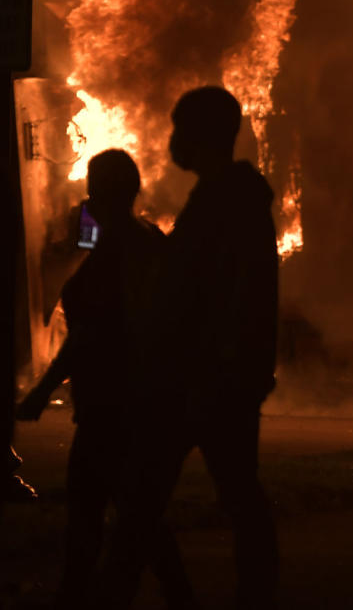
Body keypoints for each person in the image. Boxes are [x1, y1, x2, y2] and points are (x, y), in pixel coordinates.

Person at [98, 87, 278, 609]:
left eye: (179, 128)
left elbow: (234, 296)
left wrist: (224, 372)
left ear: (201, 136)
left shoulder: (229, 203)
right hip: (202, 380)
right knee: (213, 496)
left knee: (152, 499)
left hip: (201, 383)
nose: (172, 139)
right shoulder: (222, 199)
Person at [17, 150, 195, 609]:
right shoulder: (147, 239)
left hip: (110, 405)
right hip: (138, 400)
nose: (88, 195)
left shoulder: (118, 248)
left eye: (94, 186)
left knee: (94, 513)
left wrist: (42, 390)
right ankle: (171, 594)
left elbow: (88, 336)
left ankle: (78, 596)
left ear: (105, 192)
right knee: (134, 513)